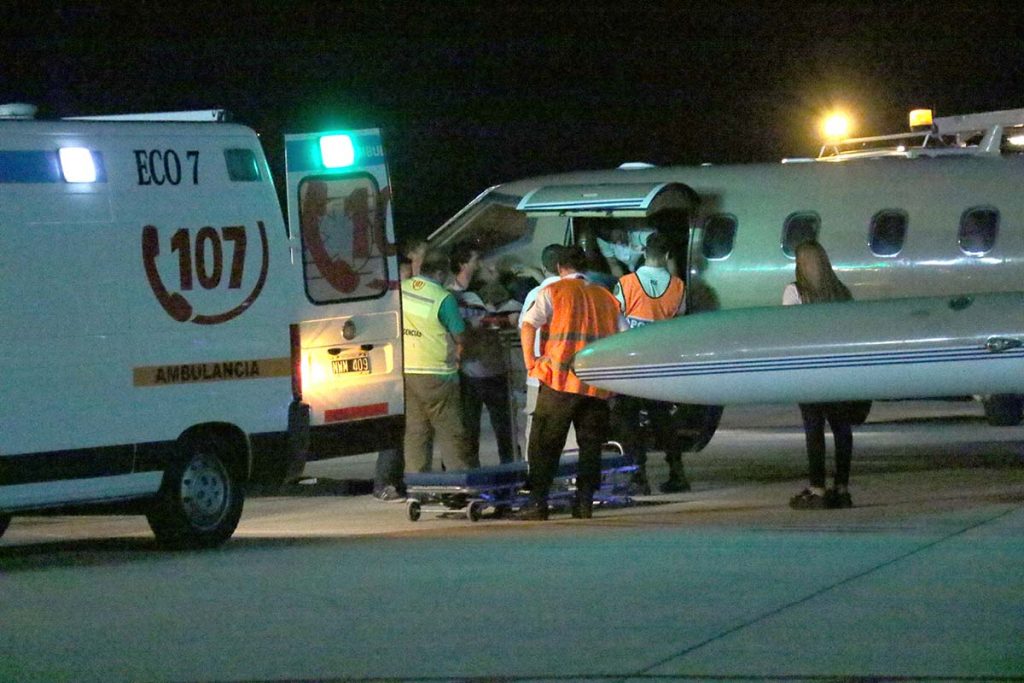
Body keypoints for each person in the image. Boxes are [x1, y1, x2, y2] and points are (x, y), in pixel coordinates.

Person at [515, 245, 627, 520]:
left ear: (559, 267)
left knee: (545, 444)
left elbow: (528, 324)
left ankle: (538, 503)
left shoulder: (553, 291)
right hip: (596, 384)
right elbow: (623, 336)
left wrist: (531, 362)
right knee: (591, 446)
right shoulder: (606, 297)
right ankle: (584, 503)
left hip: (560, 380)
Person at [610, 232, 689, 494]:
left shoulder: (626, 283)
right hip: (660, 362)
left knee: (628, 420)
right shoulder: (678, 286)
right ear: (667, 256)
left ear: (644, 252)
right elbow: (679, 319)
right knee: (662, 418)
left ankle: (638, 476)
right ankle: (677, 471)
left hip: (630, 362)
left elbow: (614, 317)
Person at [783, 240, 856, 510]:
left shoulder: (795, 292)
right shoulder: (841, 292)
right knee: (841, 428)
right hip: (838, 370)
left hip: (809, 370)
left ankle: (817, 488)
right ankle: (842, 488)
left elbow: (790, 330)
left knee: (814, 429)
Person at [402, 249, 478, 474]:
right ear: (439, 273)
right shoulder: (442, 298)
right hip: (437, 373)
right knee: (451, 431)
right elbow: (460, 335)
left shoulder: (403, 289)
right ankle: (458, 481)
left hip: (408, 370)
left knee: (416, 432)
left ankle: (417, 482)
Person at [448, 243, 517, 465]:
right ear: (463, 264)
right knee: (469, 432)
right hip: (469, 371)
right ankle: (471, 474)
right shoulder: (452, 297)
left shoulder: (490, 292)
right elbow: (464, 326)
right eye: (476, 261)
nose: (481, 265)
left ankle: (511, 472)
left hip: (495, 368)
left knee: (506, 431)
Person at [517, 244, 567, 459]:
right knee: (567, 430)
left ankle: (534, 470)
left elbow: (524, 327)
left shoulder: (534, 295)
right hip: (566, 376)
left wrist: (530, 364)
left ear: (544, 267)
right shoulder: (573, 292)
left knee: (536, 428)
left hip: (538, 374)